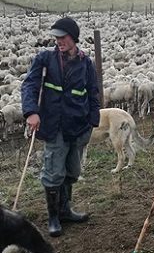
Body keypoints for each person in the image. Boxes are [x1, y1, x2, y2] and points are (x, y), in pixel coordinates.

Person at [21, 17, 100, 237]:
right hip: (54, 125)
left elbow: (93, 92)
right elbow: (30, 85)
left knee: (72, 170)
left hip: (78, 126)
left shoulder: (86, 63)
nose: (58, 41)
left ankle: (65, 210)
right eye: (56, 38)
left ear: (73, 38)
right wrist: (32, 111)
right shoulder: (45, 59)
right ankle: (53, 217)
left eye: (62, 37)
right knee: (53, 171)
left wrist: (93, 121)